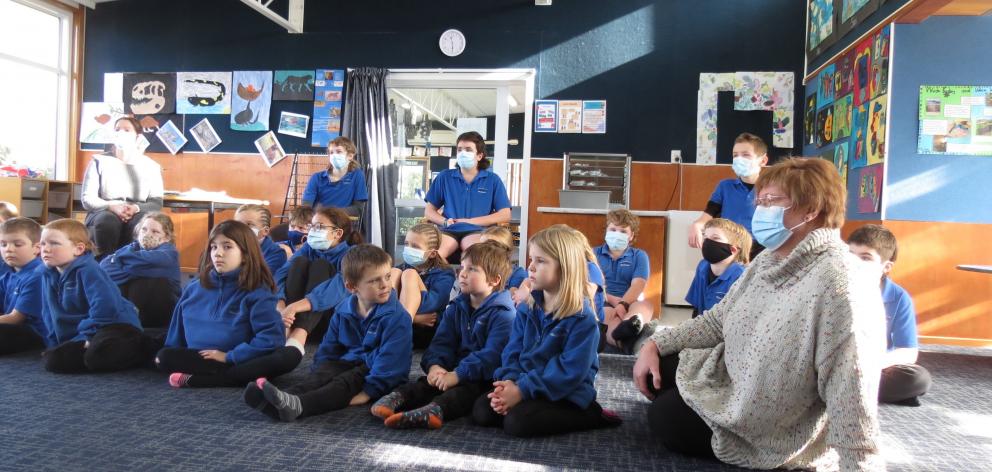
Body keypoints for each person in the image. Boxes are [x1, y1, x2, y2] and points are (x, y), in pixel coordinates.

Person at [634, 158, 886, 470]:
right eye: (760, 201)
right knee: (662, 365)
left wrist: (858, 462)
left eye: (772, 201)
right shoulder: (768, 260)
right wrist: (654, 344)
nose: (761, 211)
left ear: (811, 209)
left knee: (665, 417)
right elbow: (717, 320)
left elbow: (852, 385)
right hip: (736, 372)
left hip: (772, 420)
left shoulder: (841, 281)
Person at [472, 225, 622, 437]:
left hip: (566, 392)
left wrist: (522, 390)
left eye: (540, 261)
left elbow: (569, 372)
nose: (531, 267)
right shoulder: (527, 307)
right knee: (482, 411)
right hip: (527, 382)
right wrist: (510, 382)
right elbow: (512, 351)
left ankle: (593, 413)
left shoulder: (582, 318)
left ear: (565, 268)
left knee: (517, 424)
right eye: (531, 259)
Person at [243, 244, 413, 422]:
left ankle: (300, 406)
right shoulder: (343, 310)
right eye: (374, 280)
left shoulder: (397, 317)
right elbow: (329, 347)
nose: (385, 285)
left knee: (344, 382)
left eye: (387, 277)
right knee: (324, 374)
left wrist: (368, 392)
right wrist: (321, 370)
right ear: (351, 287)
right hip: (349, 362)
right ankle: (279, 398)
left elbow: (392, 362)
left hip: (379, 374)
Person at [371, 240, 515, 429]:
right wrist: (435, 366)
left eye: (472, 269)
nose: (462, 273)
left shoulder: (504, 313)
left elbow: (492, 356)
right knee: (426, 383)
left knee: (464, 392)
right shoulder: (457, 306)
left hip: (485, 376)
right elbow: (442, 342)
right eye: (462, 267)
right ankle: (398, 398)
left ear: (494, 280)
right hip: (455, 369)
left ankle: (435, 411)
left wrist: (458, 374)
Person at [155, 220, 301, 388]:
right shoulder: (193, 288)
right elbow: (176, 332)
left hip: (241, 359)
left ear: (245, 253)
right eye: (214, 247)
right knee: (164, 356)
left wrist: (228, 356)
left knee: (289, 356)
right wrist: (171, 357)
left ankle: (205, 380)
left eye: (227, 247)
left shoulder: (257, 290)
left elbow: (271, 338)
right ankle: (237, 378)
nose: (218, 253)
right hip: (200, 358)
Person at [38, 219, 150, 374]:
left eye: (54, 243)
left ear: (78, 249)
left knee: (96, 357)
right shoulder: (47, 274)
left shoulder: (89, 270)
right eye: (42, 244)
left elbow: (106, 310)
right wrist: (55, 344)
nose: (45, 249)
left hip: (115, 327)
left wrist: (84, 337)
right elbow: (49, 314)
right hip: (87, 333)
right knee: (54, 361)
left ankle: (145, 345)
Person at [848, 224, 932, 406]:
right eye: (850, 256)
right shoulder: (832, 288)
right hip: (831, 362)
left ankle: (844, 390)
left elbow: (908, 352)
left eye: (865, 258)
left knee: (918, 378)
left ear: (886, 267)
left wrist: (872, 363)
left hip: (870, 367)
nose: (854, 263)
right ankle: (851, 390)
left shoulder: (898, 297)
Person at [275, 207, 362, 351]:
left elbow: (338, 290)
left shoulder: (352, 254)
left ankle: (299, 333)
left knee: (321, 265)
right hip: (292, 316)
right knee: (298, 263)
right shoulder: (309, 248)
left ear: (337, 233)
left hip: (331, 321)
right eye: (312, 226)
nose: (312, 231)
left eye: (319, 227)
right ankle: (287, 329)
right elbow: (281, 274)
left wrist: (294, 307)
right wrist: (281, 305)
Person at [81, 116, 165, 259]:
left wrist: (135, 208)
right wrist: (112, 206)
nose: (121, 133)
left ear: (137, 137)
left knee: (140, 224)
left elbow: (156, 202)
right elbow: (87, 199)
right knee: (107, 222)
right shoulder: (99, 161)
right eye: (117, 129)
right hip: (104, 210)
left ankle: (131, 267)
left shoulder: (151, 166)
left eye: (126, 130)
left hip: (137, 210)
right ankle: (105, 265)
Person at [424, 131, 512, 259]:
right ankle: (441, 278)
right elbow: (429, 211)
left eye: (468, 150)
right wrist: (444, 222)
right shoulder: (444, 177)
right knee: (436, 256)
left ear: (479, 156)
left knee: (473, 255)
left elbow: (505, 214)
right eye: (459, 150)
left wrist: (470, 221)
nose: (462, 153)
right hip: (448, 230)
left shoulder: (493, 180)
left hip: (477, 230)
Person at [688, 132, 768, 259]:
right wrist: (697, 225)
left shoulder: (772, 189)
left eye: (746, 155)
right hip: (729, 249)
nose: (739, 159)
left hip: (761, 250)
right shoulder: (725, 187)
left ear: (763, 160)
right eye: (735, 155)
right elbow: (708, 214)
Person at [99, 212, 181, 328]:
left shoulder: (169, 254)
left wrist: (121, 263)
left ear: (166, 237)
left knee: (146, 281)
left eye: (155, 231)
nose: (147, 234)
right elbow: (104, 267)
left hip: (161, 311)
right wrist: (132, 267)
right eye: (144, 229)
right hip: (134, 305)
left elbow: (152, 261)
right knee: (113, 284)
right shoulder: (132, 248)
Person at [595, 209, 654, 353]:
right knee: (609, 315)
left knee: (646, 306)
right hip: (603, 299)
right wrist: (613, 300)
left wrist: (623, 303)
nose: (617, 234)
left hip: (630, 300)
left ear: (631, 235)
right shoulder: (593, 253)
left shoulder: (639, 256)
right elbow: (588, 284)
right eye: (613, 229)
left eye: (623, 231)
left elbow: (639, 284)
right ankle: (625, 341)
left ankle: (633, 322)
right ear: (606, 231)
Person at [390, 223, 455, 348]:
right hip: (409, 323)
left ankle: (400, 327)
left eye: (415, 246)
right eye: (406, 244)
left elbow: (431, 306)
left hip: (427, 331)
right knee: (394, 272)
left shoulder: (444, 274)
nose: (408, 248)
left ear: (432, 254)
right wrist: (416, 319)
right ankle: (400, 326)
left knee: (410, 274)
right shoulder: (400, 268)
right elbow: (383, 301)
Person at [684, 218, 751, 318]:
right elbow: (697, 308)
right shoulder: (702, 267)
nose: (707, 242)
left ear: (733, 249)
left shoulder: (741, 276)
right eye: (705, 237)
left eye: (715, 238)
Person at [0, 217, 46, 355]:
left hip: (33, 332)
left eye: (17, 244)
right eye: (3, 244)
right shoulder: (8, 274)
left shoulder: (38, 275)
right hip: (13, 326)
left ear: (36, 248)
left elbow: (16, 318)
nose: (9, 249)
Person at [302, 137, 368, 217]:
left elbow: (358, 209)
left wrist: (331, 213)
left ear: (350, 156)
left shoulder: (357, 175)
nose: (334, 155)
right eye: (331, 152)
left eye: (339, 152)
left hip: (341, 221)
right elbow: (306, 207)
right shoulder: (316, 178)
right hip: (317, 221)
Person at [235, 204, 288, 276]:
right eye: (238, 224)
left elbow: (257, 281)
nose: (242, 228)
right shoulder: (230, 248)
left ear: (265, 231)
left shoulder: (276, 254)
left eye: (249, 224)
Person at [479, 226, 527, 299]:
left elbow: (512, 301)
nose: (485, 251)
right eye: (481, 247)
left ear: (508, 251)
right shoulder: (475, 270)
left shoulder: (517, 273)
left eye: (492, 247)